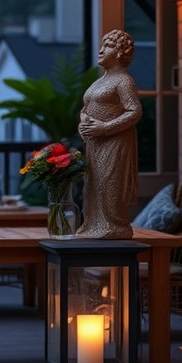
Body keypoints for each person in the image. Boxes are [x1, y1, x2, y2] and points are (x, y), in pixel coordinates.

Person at [76, 29, 142, 239]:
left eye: (109, 46)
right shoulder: (99, 81)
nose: (101, 50)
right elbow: (85, 108)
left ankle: (113, 227)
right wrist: (83, 123)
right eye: (102, 45)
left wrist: (105, 128)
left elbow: (134, 111)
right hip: (95, 144)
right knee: (93, 185)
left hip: (115, 143)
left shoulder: (123, 81)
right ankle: (93, 225)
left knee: (109, 184)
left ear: (121, 52)